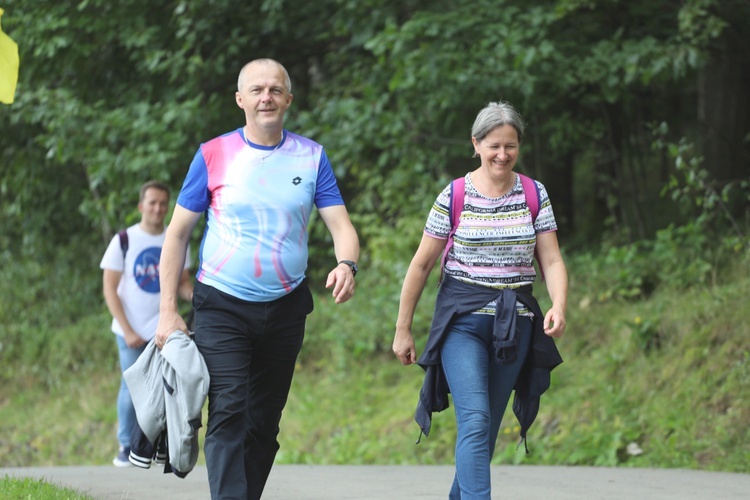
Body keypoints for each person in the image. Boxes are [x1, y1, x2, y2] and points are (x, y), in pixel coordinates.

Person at [155, 58, 359, 499]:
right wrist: (167, 311)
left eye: (274, 89)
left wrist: (346, 264)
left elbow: (342, 227)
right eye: (257, 89)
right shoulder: (213, 154)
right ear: (240, 99)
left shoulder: (311, 155)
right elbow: (177, 235)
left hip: (286, 308)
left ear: (288, 98)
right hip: (222, 305)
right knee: (229, 409)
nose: (266, 97)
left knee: (264, 421)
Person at [392, 101, 568, 499]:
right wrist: (403, 329)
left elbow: (552, 259)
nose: (502, 155)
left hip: (516, 325)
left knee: (484, 432)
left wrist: (558, 304)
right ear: (476, 144)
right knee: (474, 420)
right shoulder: (454, 195)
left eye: (511, 146)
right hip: (463, 323)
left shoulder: (533, 193)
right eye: (493, 146)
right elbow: (421, 266)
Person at [100, 180, 194, 467]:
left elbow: (182, 283)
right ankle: (125, 445)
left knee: (164, 388)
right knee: (131, 389)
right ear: (141, 206)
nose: (158, 208)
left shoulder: (175, 239)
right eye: (152, 203)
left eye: (163, 203)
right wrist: (127, 329)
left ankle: (154, 446)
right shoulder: (124, 241)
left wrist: (200, 296)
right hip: (129, 331)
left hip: (163, 332)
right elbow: (109, 289)